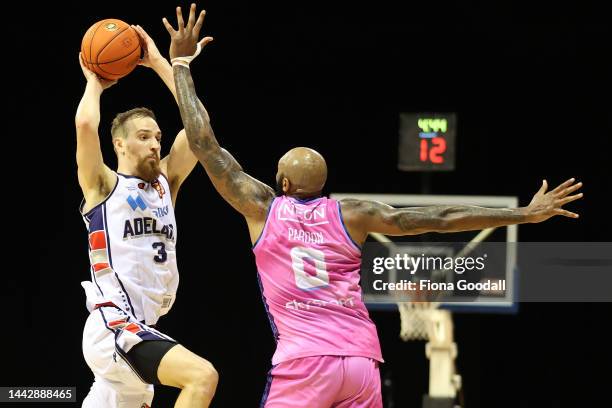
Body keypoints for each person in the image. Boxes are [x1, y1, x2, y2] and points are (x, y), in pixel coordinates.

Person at [165, 5, 584, 407]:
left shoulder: (262, 207)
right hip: (362, 362)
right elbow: (439, 219)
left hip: (306, 361)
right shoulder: (352, 213)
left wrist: (181, 66)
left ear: (284, 182)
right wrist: (524, 214)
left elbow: (203, 142)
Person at [76, 21, 217, 408]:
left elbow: (199, 129)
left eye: (157, 137)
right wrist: (94, 80)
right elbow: (86, 123)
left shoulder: (165, 183)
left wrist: (160, 62)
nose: (155, 143)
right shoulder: (103, 185)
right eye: (144, 137)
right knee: (202, 376)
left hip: (143, 326)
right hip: (114, 325)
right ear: (119, 144)